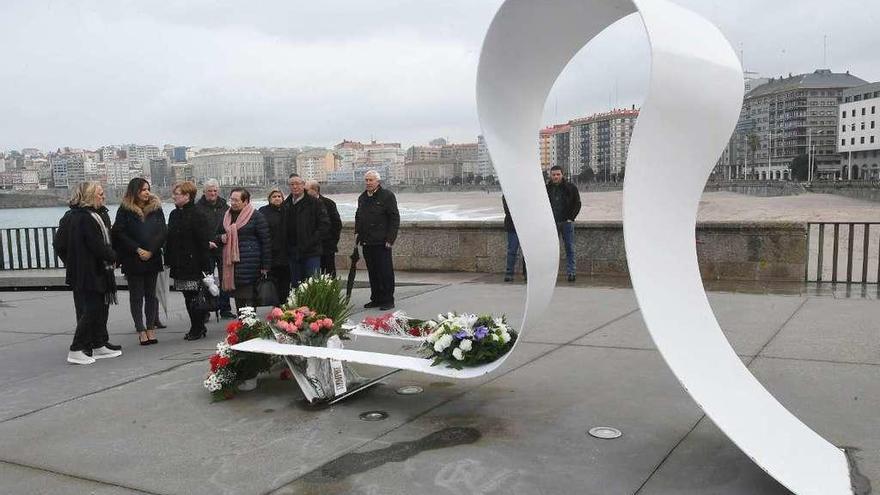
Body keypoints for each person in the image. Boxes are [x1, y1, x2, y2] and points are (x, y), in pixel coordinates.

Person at [58, 182, 122, 364]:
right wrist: (113, 256)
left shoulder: (87, 216)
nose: (103, 197)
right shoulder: (85, 218)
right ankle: (77, 348)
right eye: (100, 194)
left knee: (99, 308)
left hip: (93, 270)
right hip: (89, 272)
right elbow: (96, 245)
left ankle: (98, 344)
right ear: (90, 196)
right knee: (90, 310)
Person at [112, 178, 167, 345]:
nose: (147, 192)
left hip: (153, 257)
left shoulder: (156, 208)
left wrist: (152, 250)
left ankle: (150, 327)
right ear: (135, 191)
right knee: (136, 296)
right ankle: (140, 329)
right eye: (143, 189)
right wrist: (137, 249)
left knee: (152, 295)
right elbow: (119, 233)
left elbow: (162, 231)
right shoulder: (124, 210)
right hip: (133, 258)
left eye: (148, 189)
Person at [165, 181, 212, 340]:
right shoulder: (174, 214)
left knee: (194, 296)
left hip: (194, 264)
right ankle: (197, 326)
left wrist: (206, 268)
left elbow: (202, 242)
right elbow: (170, 240)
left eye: (176, 194)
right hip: (180, 264)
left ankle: (197, 327)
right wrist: (168, 260)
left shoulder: (198, 214)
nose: (173, 197)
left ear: (187, 196)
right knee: (187, 296)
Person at [218, 188, 270, 309]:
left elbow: (265, 242)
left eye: (236, 200)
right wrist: (222, 238)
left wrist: (265, 266)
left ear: (245, 201)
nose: (233, 203)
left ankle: (249, 325)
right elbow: (217, 235)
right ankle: (242, 324)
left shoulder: (256, 216)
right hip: (232, 265)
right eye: (232, 200)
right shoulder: (226, 216)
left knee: (249, 297)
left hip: (251, 264)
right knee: (239, 297)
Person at [355, 170, 399, 310]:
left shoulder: (387, 196)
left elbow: (394, 218)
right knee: (372, 272)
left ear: (377, 182)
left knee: (385, 272)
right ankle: (376, 298)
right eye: (366, 180)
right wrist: (357, 233)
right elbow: (358, 217)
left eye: (371, 180)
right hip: (367, 241)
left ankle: (388, 300)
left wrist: (390, 239)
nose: (368, 183)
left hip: (382, 242)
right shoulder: (362, 197)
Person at [281, 174, 330, 287]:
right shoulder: (286, 205)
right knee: (296, 285)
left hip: (311, 251)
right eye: (292, 184)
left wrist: (312, 241)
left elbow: (324, 225)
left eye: (297, 184)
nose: (295, 187)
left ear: (303, 185)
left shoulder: (315, 203)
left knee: (312, 283)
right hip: (292, 251)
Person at [196, 179, 233, 318]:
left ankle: (225, 308)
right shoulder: (197, 208)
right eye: (210, 191)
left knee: (225, 279)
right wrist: (205, 242)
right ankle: (205, 309)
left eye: (215, 191)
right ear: (204, 192)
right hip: (205, 248)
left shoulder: (225, 206)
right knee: (207, 280)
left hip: (222, 247)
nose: (212, 193)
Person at [546, 165, 581, 282]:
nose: (556, 177)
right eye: (553, 175)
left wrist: (571, 218)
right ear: (550, 176)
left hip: (566, 223)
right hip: (551, 224)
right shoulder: (546, 189)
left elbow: (578, 203)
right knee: (551, 250)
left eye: (558, 174)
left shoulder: (571, 188)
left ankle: (571, 272)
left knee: (569, 248)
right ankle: (550, 274)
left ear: (562, 175)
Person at [258, 188, 290, 304]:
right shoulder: (263, 211)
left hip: (286, 253)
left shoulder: (287, 210)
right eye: (274, 196)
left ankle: (283, 304)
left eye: (279, 196)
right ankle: (275, 305)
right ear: (269, 199)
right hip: (270, 252)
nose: (277, 198)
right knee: (273, 281)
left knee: (285, 282)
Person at [306, 180, 342, 277]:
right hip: (311, 248)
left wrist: (332, 241)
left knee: (329, 274)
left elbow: (336, 224)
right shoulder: (304, 204)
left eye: (306, 190)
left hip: (327, 247)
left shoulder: (329, 203)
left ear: (315, 190)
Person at [502, 195, 526, 282]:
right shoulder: (507, 193)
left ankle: (526, 273)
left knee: (526, 252)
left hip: (525, 225)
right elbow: (507, 210)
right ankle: (509, 273)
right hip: (513, 226)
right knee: (512, 251)